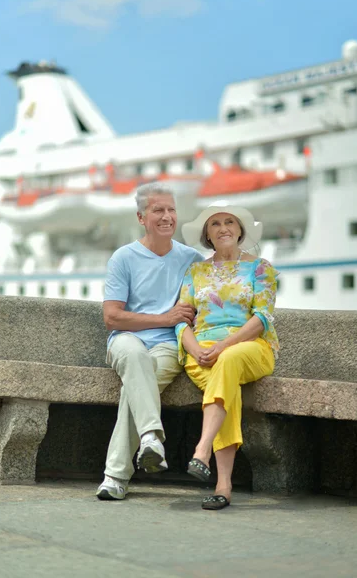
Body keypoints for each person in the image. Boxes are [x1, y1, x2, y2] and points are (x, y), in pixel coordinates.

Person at [97, 183, 204, 501]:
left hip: (169, 346)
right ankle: (150, 437)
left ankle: (117, 476)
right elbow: (112, 318)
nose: (167, 216)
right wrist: (166, 317)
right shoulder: (123, 258)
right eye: (159, 210)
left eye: (171, 209)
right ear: (142, 217)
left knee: (136, 387)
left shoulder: (192, 260)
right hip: (126, 340)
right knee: (136, 359)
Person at [175, 203, 279, 510]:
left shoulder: (261, 268)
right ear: (207, 234)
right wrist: (194, 348)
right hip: (203, 352)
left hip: (251, 347)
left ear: (240, 229)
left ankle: (202, 450)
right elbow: (181, 320)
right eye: (215, 224)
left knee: (228, 363)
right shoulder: (196, 271)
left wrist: (224, 346)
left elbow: (262, 318)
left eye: (229, 222)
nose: (223, 228)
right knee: (226, 384)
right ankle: (223, 486)